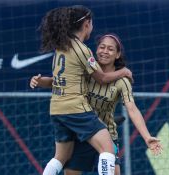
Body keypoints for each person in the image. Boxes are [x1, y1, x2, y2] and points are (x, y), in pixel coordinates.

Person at [31, 33, 162, 175]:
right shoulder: (85, 71)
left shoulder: (122, 81)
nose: (105, 51)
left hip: (107, 134)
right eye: (102, 47)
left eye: (110, 49)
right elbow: (56, 81)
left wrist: (147, 137)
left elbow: (132, 108)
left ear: (118, 55)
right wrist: (39, 81)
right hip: (82, 134)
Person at [37, 6, 133, 175]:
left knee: (60, 157)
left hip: (57, 108)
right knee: (108, 149)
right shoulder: (82, 50)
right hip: (75, 108)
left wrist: (41, 82)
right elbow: (101, 78)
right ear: (87, 24)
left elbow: (59, 80)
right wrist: (124, 72)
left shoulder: (61, 46)